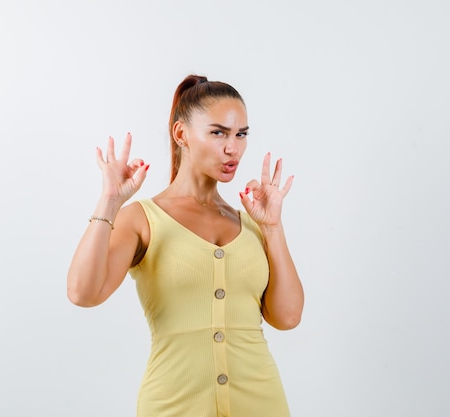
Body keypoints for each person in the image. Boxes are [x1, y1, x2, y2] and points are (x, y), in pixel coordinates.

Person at [67, 74, 304, 417]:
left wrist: (273, 226)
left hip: (261, 403)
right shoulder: (142, 219)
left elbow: (287, 317)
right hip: (173, 406)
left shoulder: (254, 220)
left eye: (241, 134)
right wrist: (109, 201)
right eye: (218, 132)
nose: (232, 148)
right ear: (182, 135)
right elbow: (82, 293)